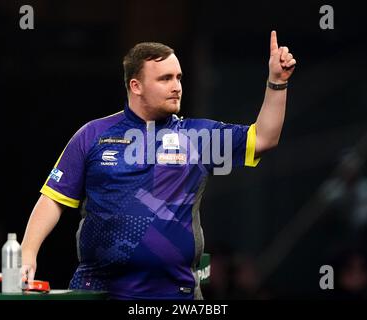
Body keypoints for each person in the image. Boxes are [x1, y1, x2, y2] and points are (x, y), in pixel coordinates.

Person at [21, 31, 296, 300]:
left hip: (175, 295)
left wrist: (277, 82)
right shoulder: (92, 135)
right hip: (99, 291)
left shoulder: (198, 138)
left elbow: (263, 137)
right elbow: (53, 199)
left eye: (178, 77)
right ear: (135, 85)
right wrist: (27, 255)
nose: (176, 86)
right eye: (165, 78)